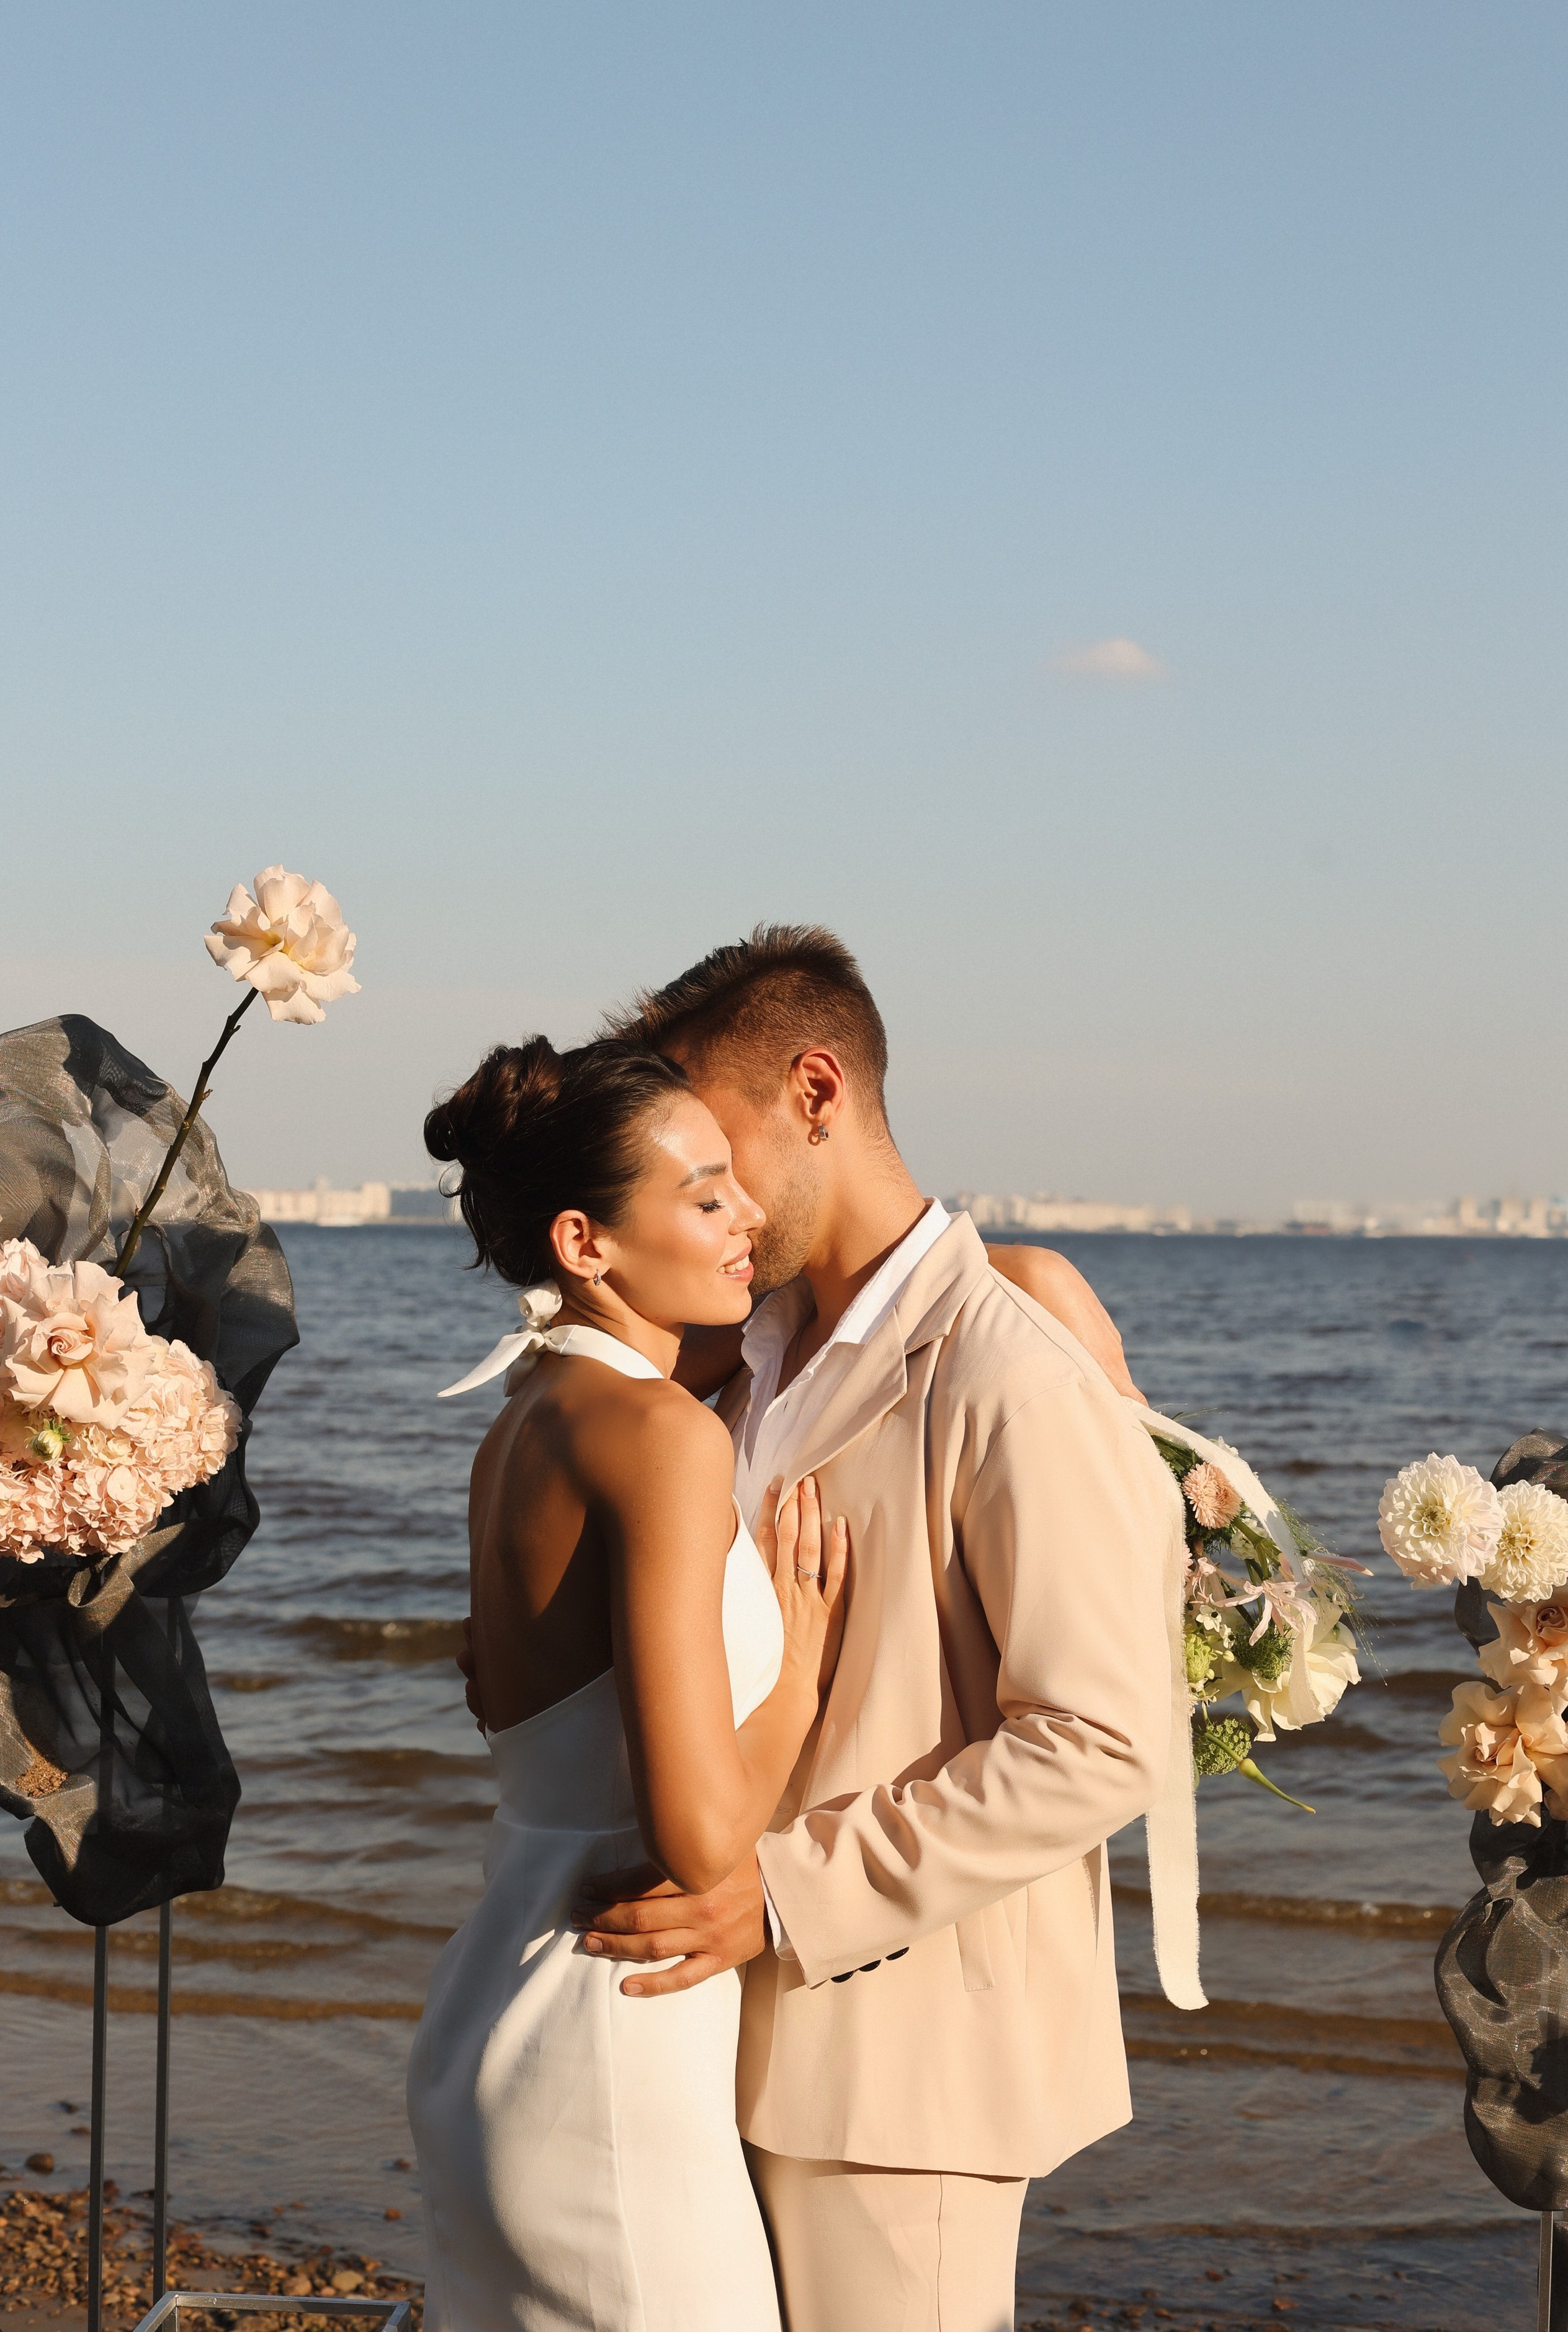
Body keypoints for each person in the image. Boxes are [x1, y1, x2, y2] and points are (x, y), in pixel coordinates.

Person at [561, 926, 1183, 2332]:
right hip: (709, 2046)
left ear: (816, 1093)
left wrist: (786, 1898)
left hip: (906, 2079)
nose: (696, 1184)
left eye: (710, 1145)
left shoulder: (1012, 1373)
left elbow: (1101, 1742)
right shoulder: (736, 1355)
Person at [405, 1034, 847, 2332]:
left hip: (497, 2021)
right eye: (705, 1197)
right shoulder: (658, 1437)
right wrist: (801, 1667)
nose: (749, 1215)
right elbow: (698, 1842)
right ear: (584, 1244)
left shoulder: (525, 1420)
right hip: (604, 2061)